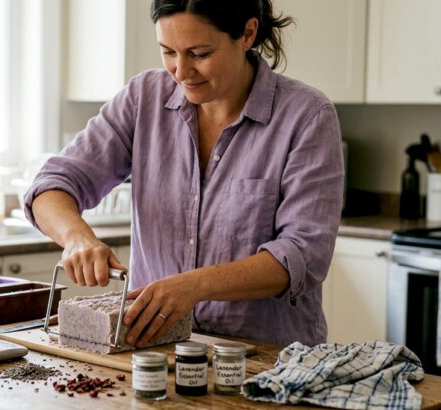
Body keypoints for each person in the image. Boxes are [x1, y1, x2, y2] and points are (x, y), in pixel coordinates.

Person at [23, 0, 343, 348]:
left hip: (268, 359)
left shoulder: (307, 116)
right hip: (156, 351)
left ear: (247, 34)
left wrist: (194, 286)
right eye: (168, 51)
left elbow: (302, 254)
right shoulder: (143, 99)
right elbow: (51, 186)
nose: (181, 71)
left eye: (200, 53)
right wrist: (76, 237)